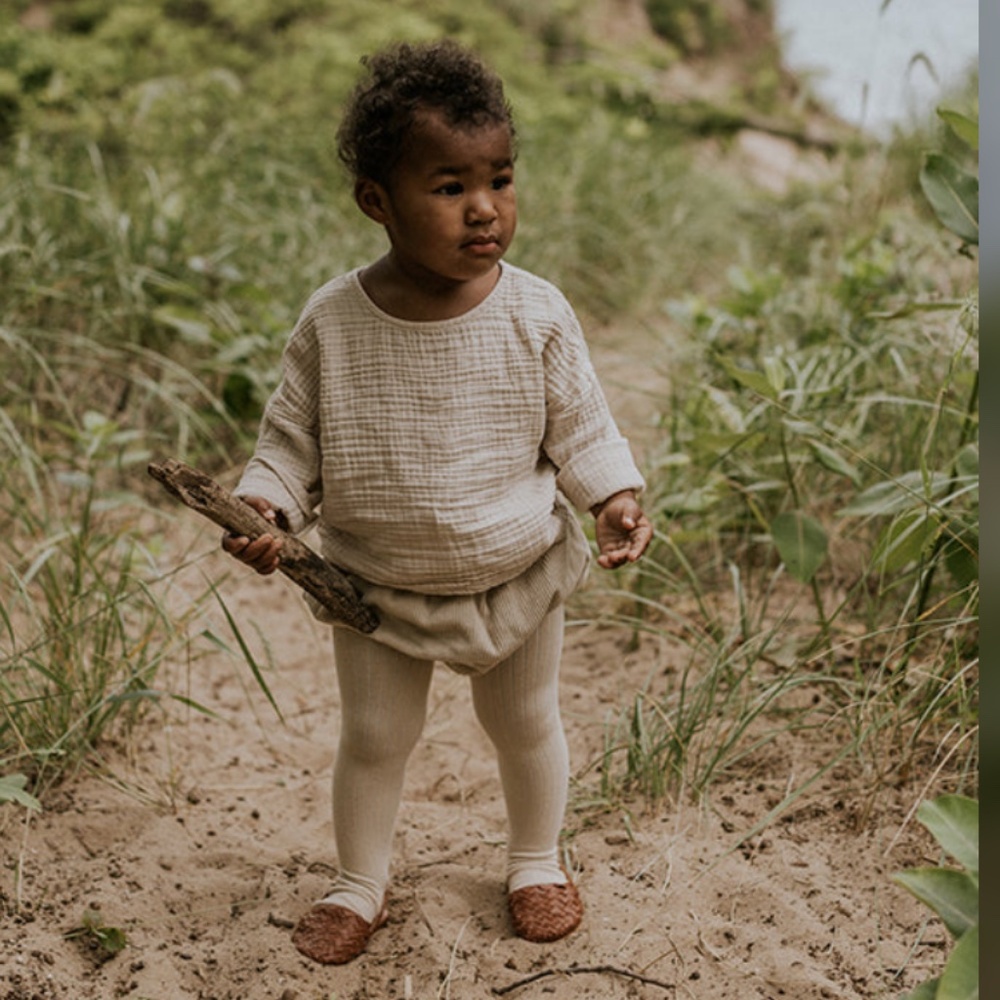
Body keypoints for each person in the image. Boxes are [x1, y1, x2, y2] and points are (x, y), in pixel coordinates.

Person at [223, 38, 652, 965]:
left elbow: (581, 427)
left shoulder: (536, 311)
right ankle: (359, 883)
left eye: (500, 179)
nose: (485, 207)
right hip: (376, 582)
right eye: (450, 186)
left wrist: (613, 497)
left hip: (515, 567)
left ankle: (535, 861)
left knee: (524, 723)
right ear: (376, 201)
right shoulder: (334, 321)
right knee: (377, 736)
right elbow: (290, 443)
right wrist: (267, 511)